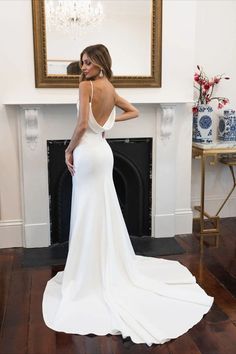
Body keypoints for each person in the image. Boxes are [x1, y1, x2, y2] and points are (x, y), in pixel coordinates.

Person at [42, 44, 213, 346]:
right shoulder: (109, 86)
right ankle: (102, 267)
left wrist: (68, 150)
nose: (83, 67)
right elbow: (132, 112)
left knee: (88, 211)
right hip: (103, 152)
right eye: (81, 63)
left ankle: (88, 272)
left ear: (99, 62)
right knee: (101, 209)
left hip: (86, 152)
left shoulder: (87, 86)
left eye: (88, 62)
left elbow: (82, 125)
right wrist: (106, 124)